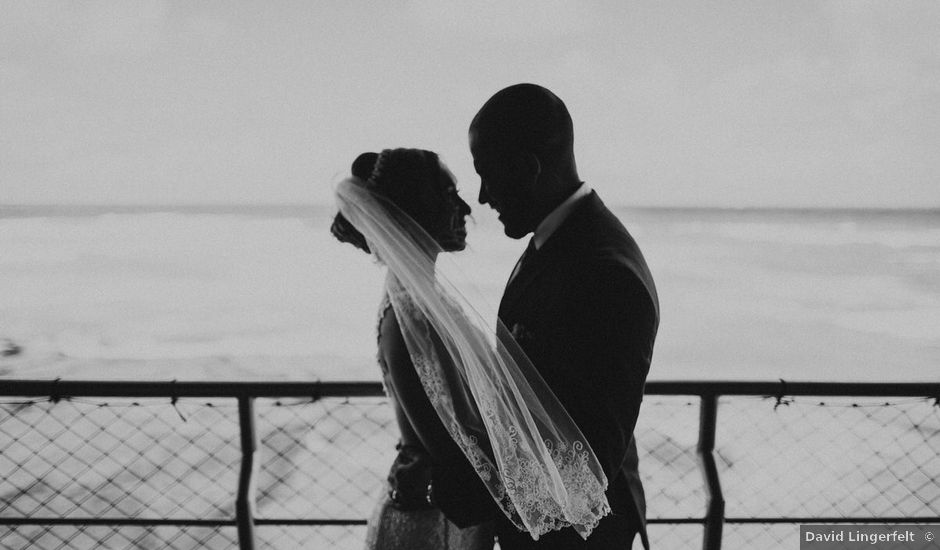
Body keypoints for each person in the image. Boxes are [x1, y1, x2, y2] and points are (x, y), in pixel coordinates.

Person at [469, 83, 660, 550]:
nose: (481, 197)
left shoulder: (604, 272)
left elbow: (588, 459)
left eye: (487, 174)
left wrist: (468, 478)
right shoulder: (554, 241)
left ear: (526, 168)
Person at [330, 148, 494, 550]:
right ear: (415, 211)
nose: (465, 206)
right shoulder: (410, 316)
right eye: (448, 192)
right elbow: (450, 444)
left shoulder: (426, 300)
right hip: (430, 523)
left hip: (446, 513)